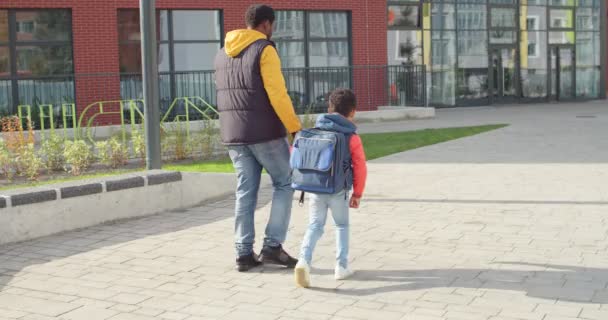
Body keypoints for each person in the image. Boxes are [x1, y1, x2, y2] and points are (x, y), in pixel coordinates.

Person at [214, 4, 302, 272]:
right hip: (264, 132)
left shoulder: (221, 53)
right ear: (266, 24)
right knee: (285, 182)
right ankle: (272, 247)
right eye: (272, 26)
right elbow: (277, 93)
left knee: (245, 191)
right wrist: (294, 126)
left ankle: (243, 254)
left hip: (233, 135)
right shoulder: (265, 49)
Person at [294, 89, 368, 288]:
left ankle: (303, 261)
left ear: (329, 108)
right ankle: (341, 267)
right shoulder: (351, 137)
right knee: (341, 226)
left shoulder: (316, 131)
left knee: (314, 226)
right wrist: (358, 193)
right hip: (339, 191)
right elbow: (360, 166)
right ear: (352, 112)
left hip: (315, 188)